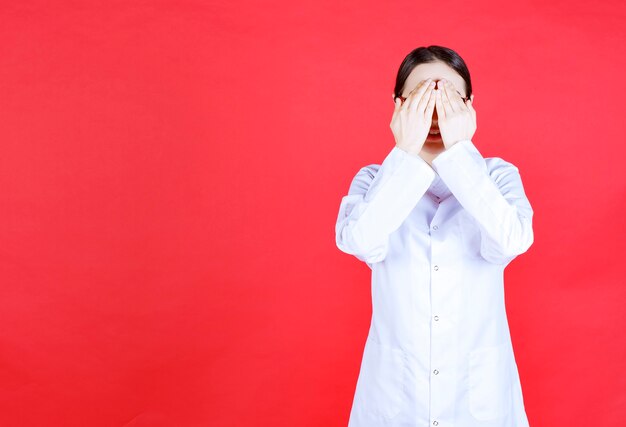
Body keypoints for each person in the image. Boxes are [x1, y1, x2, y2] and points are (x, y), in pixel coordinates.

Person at [334, 45, 534, 427]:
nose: (436, 113)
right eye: (423, 97)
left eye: (449, 98)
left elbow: (511, 240)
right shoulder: (374, 180)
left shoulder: (497, 176)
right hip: (394, 399)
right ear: (399, 105)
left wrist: (458, 152)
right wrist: (407, 153)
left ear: (470, 105)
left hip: (480, 401)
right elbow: (360, 241)